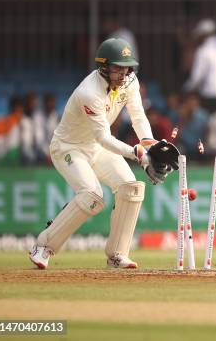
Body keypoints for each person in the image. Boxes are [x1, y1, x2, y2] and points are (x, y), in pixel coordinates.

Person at [29, 38, 172, 270]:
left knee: (131, 188)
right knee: (92, 197)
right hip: (69, 147)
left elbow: (138, 115)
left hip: (98, 149)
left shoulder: (130, 82)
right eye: (117, 67)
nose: (123, 73)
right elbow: (103, 137)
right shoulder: (89, 93)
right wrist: (140, 156)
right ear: (103, 67)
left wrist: (150, 146)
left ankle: (117, 254)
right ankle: (44, 246)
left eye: (127, 67)